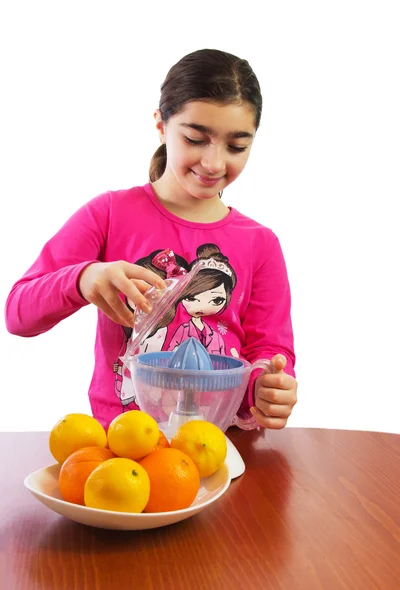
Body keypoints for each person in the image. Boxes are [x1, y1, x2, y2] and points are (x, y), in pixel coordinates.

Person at [5, 48, 298, 431]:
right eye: (195, 138)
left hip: (218, 447)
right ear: (161, 124)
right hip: (125, 447)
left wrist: (267, 384)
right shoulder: (109, 215)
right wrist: (83, 278)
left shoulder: (261, 244)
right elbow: (17, 314)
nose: (213, 163)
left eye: (236, 146)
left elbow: (269, 352)